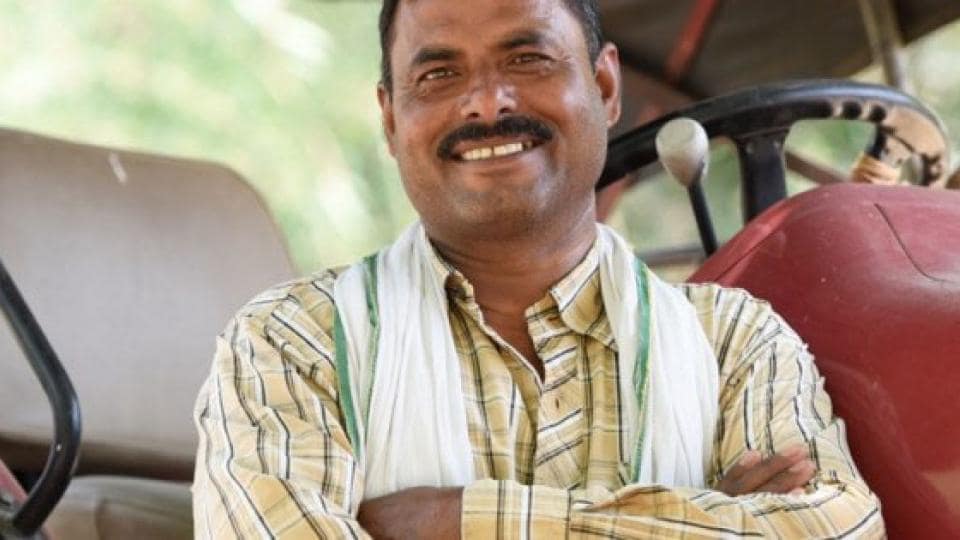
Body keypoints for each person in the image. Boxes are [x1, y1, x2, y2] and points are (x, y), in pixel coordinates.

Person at [192, 0, 883, 537]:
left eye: (527, 59)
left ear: (605, 84)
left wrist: (453, 521)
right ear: (391, 118)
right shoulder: (291, 344)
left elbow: (838, 529)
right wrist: (706, 518)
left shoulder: (734, 343)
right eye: (438, 74)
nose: (488, 102)